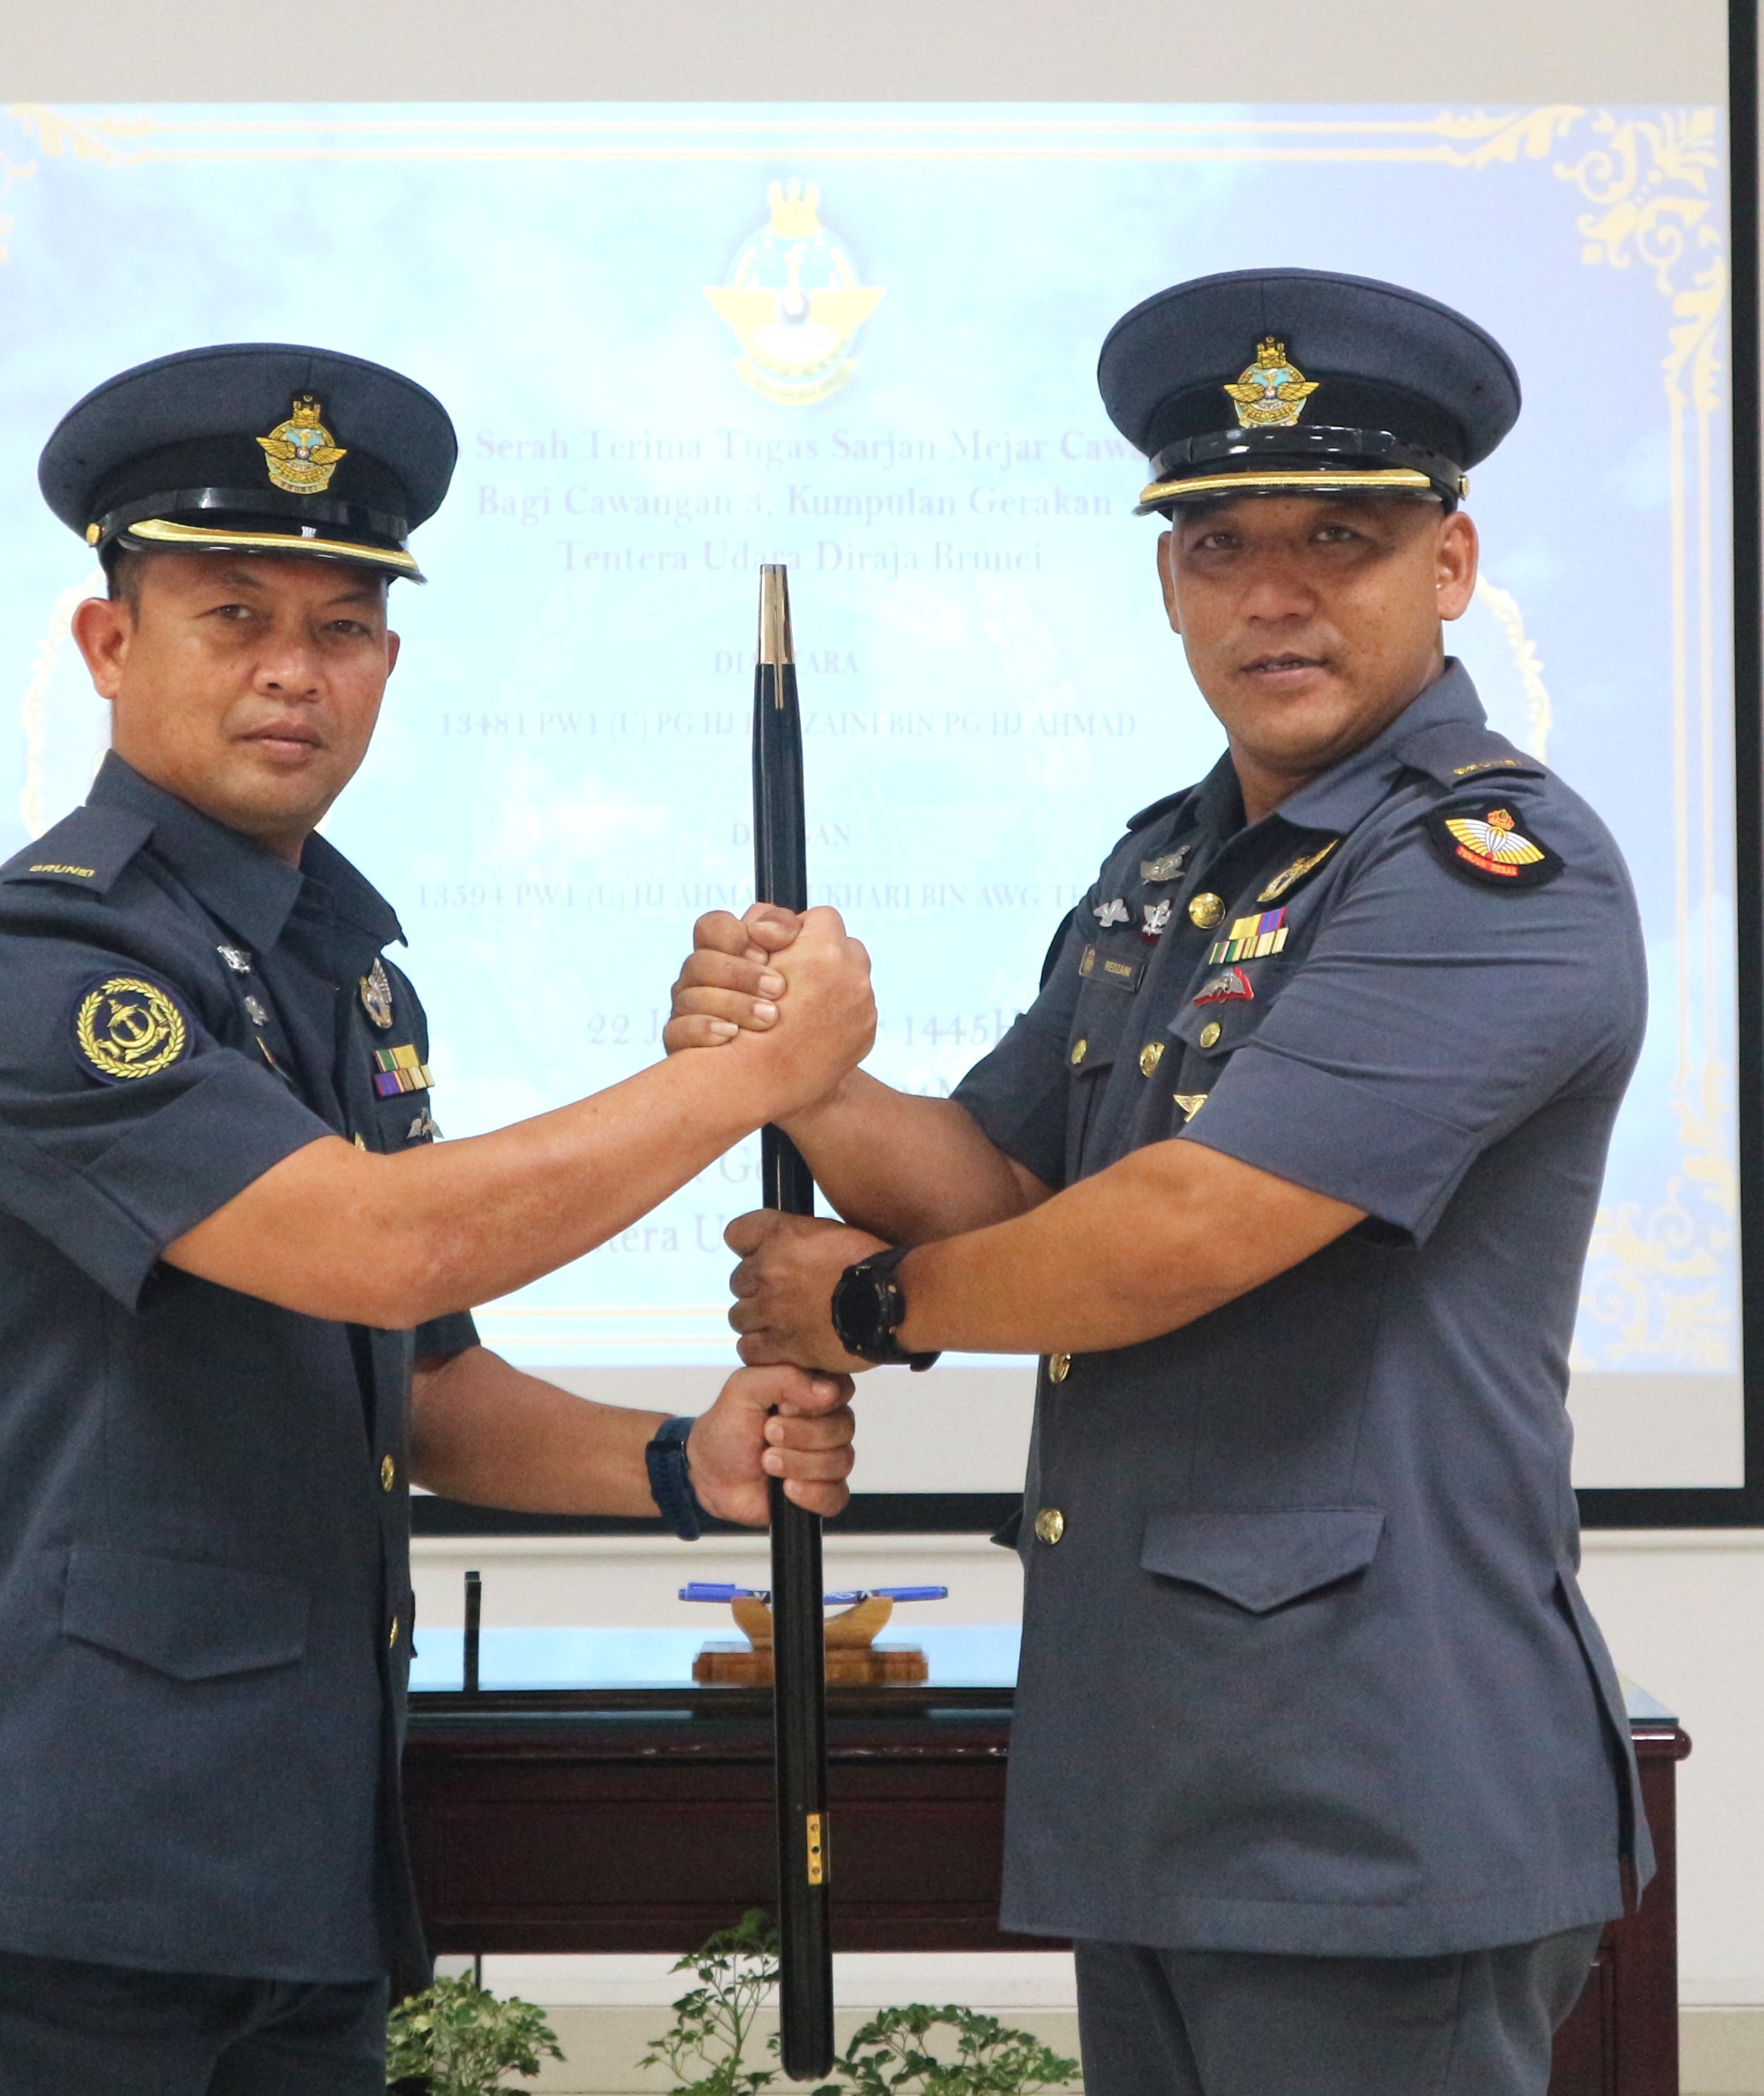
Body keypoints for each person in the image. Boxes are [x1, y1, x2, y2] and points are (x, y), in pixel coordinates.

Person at [0, 342, 876, 2096]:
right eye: (234, 615)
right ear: (108, 643)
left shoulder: (342, 971)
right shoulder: (43, 957)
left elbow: (418, 1379)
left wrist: (686, 1462)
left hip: (286, 1871)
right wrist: (753, 1079)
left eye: (344, 625)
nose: (295, 669)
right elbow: (378, 1245)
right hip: (59, 1859)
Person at [668, 270, 1653, 2096]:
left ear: (1450, 563)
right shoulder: (1171, 867)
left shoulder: (1491, 872)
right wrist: (800, 1069)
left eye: (1339, 539)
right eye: (1219, 545)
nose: (1273, 593)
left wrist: (867, 1306)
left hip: (1374, 1787)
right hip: (1170, 1768)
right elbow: (995, 1181)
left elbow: (1187, 1231)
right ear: (1168, 583)